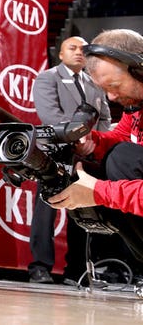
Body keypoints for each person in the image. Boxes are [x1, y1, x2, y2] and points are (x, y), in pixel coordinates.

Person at [49, 29, 143, 268]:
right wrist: (91, 141)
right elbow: (125, 136)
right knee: (113, 158)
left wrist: (99, 192)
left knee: (120, 160)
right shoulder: (137, 104)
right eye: (105, 89)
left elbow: (127, 155)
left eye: (114, 85)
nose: (110, 97)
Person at [28, 36, 111, 284]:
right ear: (60, 54)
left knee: (85, 210)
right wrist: (76, 138)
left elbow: (105, 118)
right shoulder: (47, 78)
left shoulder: (94, 84)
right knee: (46, 210)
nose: (79, 53)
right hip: (56, 151)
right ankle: (40, 266)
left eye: (83, 50)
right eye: (72, 48)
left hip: (87, 153)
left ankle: (78, 271)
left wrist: (96, 141)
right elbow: (50, 114)